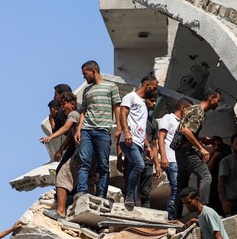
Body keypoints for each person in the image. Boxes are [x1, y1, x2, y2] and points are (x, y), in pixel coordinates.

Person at [74, 60, 122, 199]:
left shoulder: (111, 87)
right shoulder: (87, 90)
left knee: (103, 166)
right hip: (87, 130)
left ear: (93, 71)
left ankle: (101, 195)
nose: (84, 77)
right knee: (84, 162)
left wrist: (119, 127)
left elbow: (117, 107)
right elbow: (83, 111)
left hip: (103, 131)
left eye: (85, 74)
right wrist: (79, 130)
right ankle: (81, 192)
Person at [175, 89, 222, 214]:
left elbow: (186, 131)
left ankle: (176, 216)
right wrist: (202, 149)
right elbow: (186, 131)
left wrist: (201, 140)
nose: (218, 103)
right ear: (211, 98)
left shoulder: (193, 108)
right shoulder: (199, 111)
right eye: (218, 100)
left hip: (180, 151)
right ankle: (204, 210)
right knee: (206, 176)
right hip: (185, 151)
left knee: (182, 185)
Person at [116, 76, 156, 210]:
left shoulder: (144, 104)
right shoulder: (130, 97)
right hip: (129, 140)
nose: (155, 91)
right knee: (140, 165)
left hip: (139, 142)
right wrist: (126, 132)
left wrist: (147, 146)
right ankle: (129, 196)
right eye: (154, 88)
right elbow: (123, 114)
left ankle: (130, 200)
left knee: (134, 169)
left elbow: (141, 127)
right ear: (147, 85)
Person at [40, 91, 79, 220]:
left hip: (80, 151)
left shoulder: (73, 114)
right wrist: (60, 150)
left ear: (72, 104)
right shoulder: (76, 114)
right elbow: (69, 136)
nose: (62, 108)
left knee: (62, 174)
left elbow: (66, 128)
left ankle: (60, 211)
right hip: (83, 151)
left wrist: (50, 137)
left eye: (64, 104)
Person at [157, 99, 193, 220]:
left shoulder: (183, 123)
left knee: (181, 191)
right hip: (171, 159)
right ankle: (171, 218)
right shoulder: (168, 118)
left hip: (180, 161)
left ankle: (177, 217)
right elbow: (161, 138)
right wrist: (164, 157)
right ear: (183, 108)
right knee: (176, 189)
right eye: (189, 110)